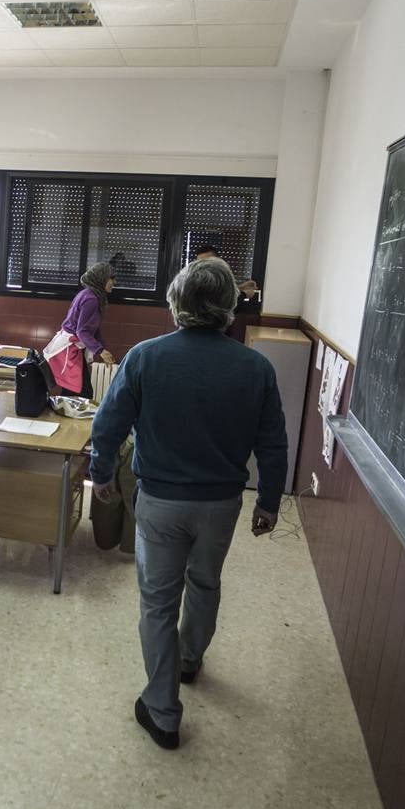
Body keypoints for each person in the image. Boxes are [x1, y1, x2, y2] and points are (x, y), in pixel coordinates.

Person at [88, 257, 288, 750]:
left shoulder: (144, 357)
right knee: (205, 583)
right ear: (228, 307)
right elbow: (273, 443)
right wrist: (268, 502)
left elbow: (108, 425)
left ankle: (163, 711)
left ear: (177, 301)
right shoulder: (256, 367)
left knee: (157, 603)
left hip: (159, 501)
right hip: (221, 505)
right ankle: (190, 659)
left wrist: (99, 475)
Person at [45, 261, 117, 398]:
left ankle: (63, 416)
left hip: (73, 347)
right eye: (111, 278)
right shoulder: (91, 299)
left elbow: (93, 329)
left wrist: (102, 349)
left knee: (73, 390)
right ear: (101, 278)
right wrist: (100, 350)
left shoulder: (90, 295)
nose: (114, 282)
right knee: (82, 392)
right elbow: (82, 331)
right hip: (68, 347)